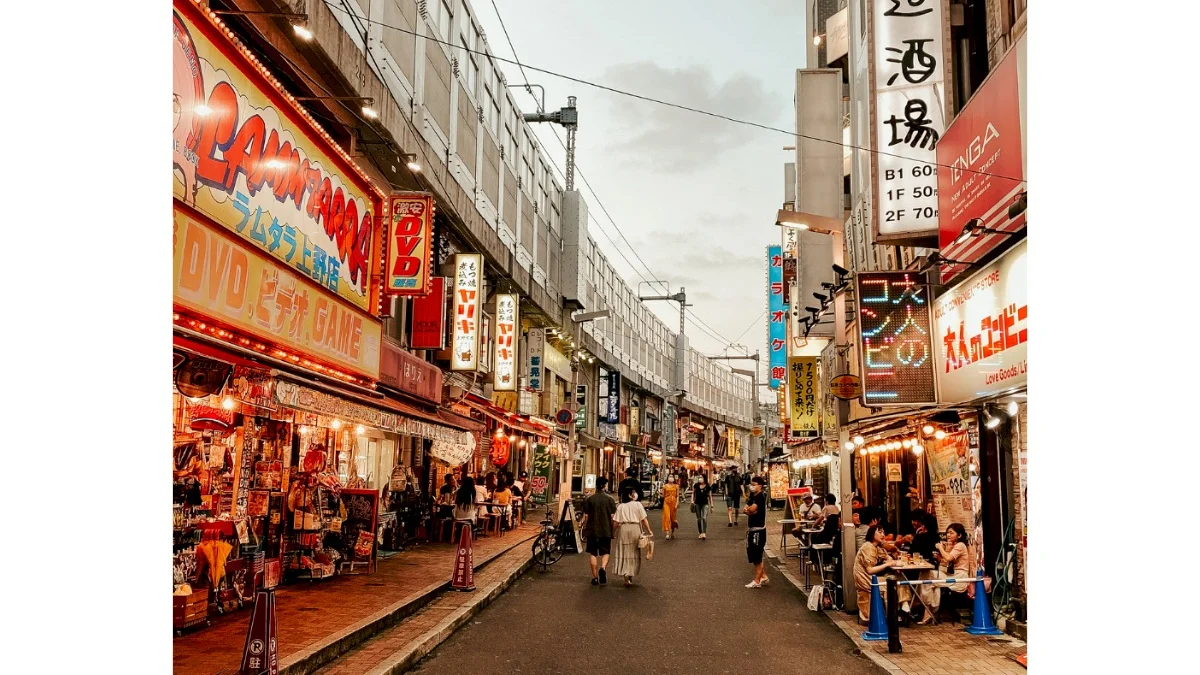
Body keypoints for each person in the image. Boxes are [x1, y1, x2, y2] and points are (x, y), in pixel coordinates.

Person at [853, 524, 913, 623]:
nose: (883, 535)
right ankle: (897, 613)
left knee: (898, 577)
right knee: (893, 582)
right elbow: (870, 570)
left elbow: (886, 556)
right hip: (866, 580)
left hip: (872, 578)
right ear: (872, 534)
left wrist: (890, 561)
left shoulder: (876, 546)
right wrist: (888, 564)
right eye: (880, 532)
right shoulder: (868, 547)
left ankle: (904, 608)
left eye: (883, 532)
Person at [915, 522, 972, 625]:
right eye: (947, 533)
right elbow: (946, 562)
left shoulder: (960, 545)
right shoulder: (953, 545)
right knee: (930, 581)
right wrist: (940, 558)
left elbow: (949, 558)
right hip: (951, 575)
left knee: (927, 577)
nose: (948, 535)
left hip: (959, 578)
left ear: (959, 535)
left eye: (951, 533)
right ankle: (931, 611)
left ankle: (929, 611)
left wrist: (940, 548)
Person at [611, 484, 652, 587]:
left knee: (624, 551)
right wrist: (649, 530)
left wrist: (612, 532)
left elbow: (616, 522)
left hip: (624, 529)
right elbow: (644, 520)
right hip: (635, 529)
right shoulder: (638, 505)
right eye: (633, 493)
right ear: (630, 495)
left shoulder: (620, 506)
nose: (635, 494)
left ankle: (625, 572)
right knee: (634, 552)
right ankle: (630, 574)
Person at [578, 476, 617, 585]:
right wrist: (612, 531)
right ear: (604, 486)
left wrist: (583, 528)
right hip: (606, 530)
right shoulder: (610, 499)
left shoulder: (590, 499)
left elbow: (585, 516)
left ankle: (595, 577)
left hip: (592, 530)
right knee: (606, 552)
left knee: (593, 553)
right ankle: (603, 568)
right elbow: (612, 517)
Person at [743, 476, 769, 588]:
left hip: (759, 530)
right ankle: (763, 576)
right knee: (752, 555)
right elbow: (746, 507)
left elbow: (751, 509)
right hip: (751, 529)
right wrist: (748, 510)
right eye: (751, 484)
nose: (752, 486)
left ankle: (757, 580)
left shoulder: (761, 497)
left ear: (760, 486)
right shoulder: (753, 496)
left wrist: (749, 511)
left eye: (754, 484)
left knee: (757, 556)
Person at [692, 475, 712, 540]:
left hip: (705, 503)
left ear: (704, 479)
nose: (700, 479)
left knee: (704, 517)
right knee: (698, 519)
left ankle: (704, 532)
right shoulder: (696, 485)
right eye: (699, 478)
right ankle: (700, 532)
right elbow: (693, 493)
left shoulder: (708, 486)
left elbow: (710, 496)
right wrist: (692, 500)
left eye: (701, 478)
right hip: (697, 503)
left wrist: (712, 505)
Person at [661, 475, 680, 540]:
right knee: (667, 517)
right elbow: (663, 496)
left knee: (673, 519)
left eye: (672, 476)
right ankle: (667, 534)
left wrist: (677, 504)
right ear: (667, 478)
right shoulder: (664, 486)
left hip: (674, 502)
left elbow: (677, 496)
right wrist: (660, 493)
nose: (671, 478)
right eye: (670, 476)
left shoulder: (676, 486)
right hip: (666, 502)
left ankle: (672, 532)